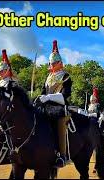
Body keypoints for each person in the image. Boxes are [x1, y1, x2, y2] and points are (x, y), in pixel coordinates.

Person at [39, 40, 72, 168]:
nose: (51, 65)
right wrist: (40, 97)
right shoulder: (48, 77)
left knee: (60, 121)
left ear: (60, 63)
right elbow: (43, 92)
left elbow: (65, 95)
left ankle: (63, 155)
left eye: (53, 63)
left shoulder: (65, 76)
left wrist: (48, 97)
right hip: (46, 106)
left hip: (60, 106)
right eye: (50, 63)